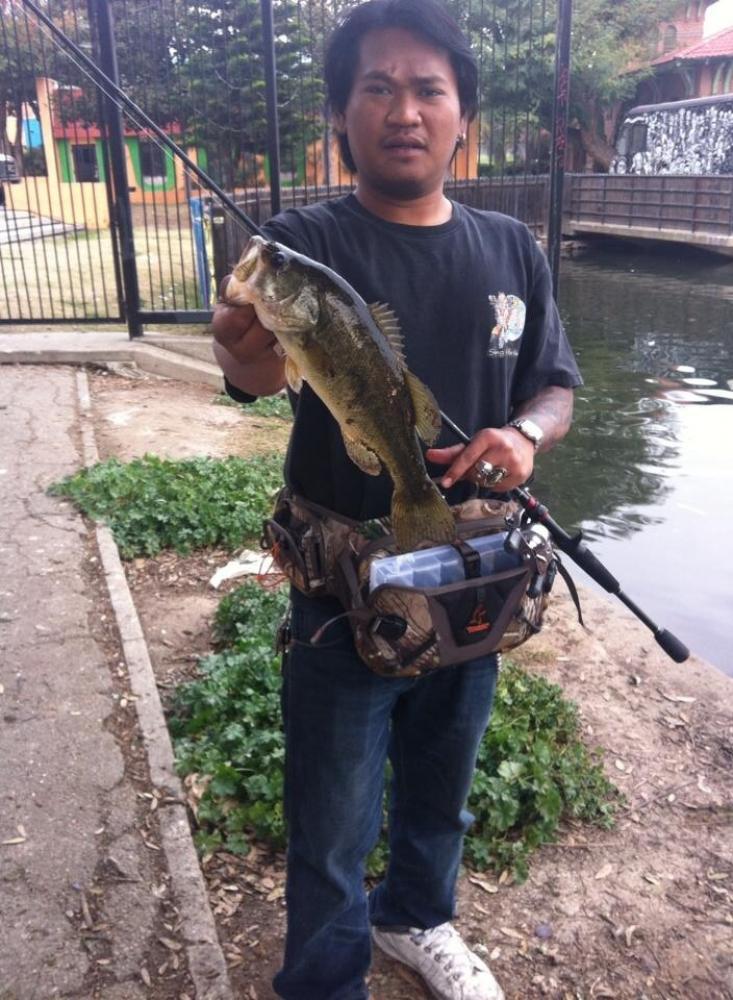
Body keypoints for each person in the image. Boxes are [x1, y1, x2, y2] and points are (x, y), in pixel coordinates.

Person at [212, 1, 582, 996]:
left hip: (473, 575)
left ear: (461, 113)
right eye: (376, 87)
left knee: (442, 781)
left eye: (427, 89)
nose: (403, 109)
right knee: (330, 815)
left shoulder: (512, 248)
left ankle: (417, 915)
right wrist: (241, 348)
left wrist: (526, 434)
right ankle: (328, 978)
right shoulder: (301, 246)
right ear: (343, 116)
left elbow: (554, 383)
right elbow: (251, 372)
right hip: (341, 591)